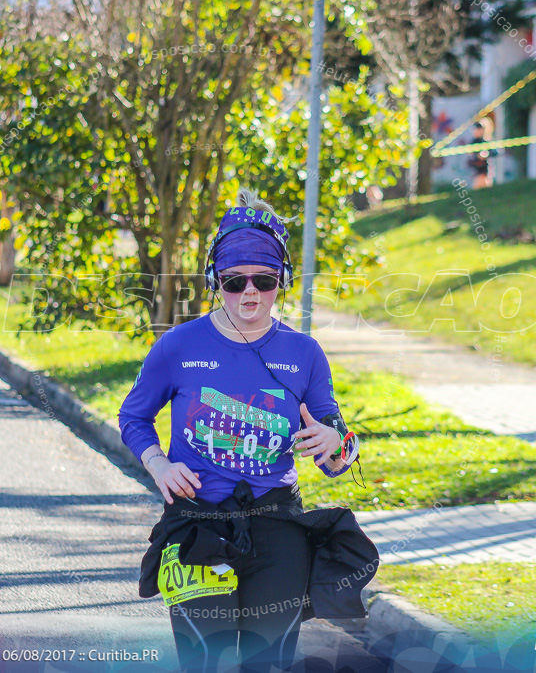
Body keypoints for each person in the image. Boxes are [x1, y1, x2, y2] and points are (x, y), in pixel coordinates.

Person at [119, 189, 377, 673]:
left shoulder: (304, 354)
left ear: (284, 280)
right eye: (235, 282)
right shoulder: (178, 346)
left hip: (277, 528)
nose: (250, 293)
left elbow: (336, 448)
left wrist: (337, 445)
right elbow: (133, 416)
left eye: (265, 279)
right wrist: (158, 464)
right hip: (197, 526)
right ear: (215, 280)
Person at [467, 121, 498, 189]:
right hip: (475, 172)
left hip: (485, 171)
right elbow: (469, 155)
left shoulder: (485, 142)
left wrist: (486, 154)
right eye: (476, 129)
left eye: (479, 129)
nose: (477, 131)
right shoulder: (472, 143)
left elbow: (495, 152)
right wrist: (477, 155)